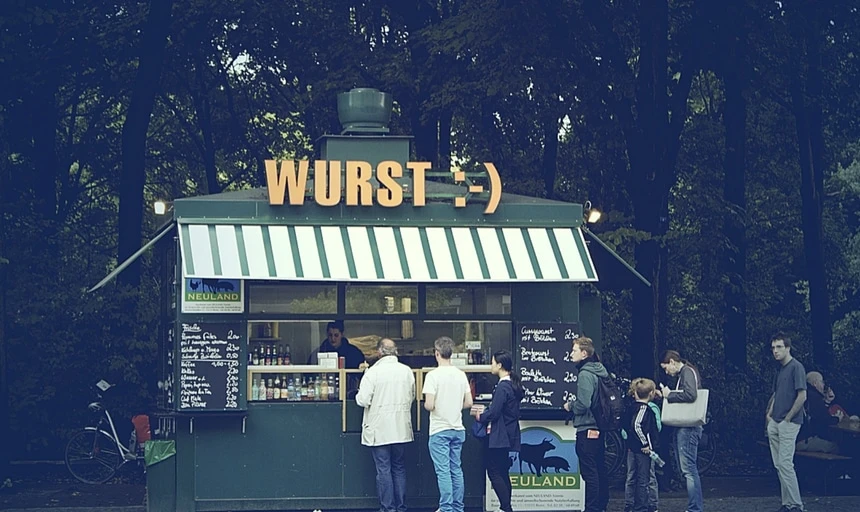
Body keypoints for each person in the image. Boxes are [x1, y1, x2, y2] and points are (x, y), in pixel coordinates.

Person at [355, 338, 415, 512]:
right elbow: (411, 396)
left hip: (379, 428)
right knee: (399, 467)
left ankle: (388, 508)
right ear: (395, 351)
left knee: (383, 469)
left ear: (379, 352)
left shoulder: (373, 372)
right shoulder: (406, 371)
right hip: (401, 426)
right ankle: (401, 507)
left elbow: (363, 400)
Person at [423, 336, 473, 512]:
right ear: (451, 353)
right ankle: (458, 507)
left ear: (437, 353)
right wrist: (454, 405)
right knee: (456, 470)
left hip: (439, 430)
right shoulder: (461, 375)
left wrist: (435, 404)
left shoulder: (432, 376)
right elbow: (469, 402)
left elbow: (429, 405)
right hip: (458, 429)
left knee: (443, 471)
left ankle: (446, 508)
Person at [471, 350, 521, 512]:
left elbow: (495, 412)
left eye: (492, 362)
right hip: (509, 434)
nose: (490, 366)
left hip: (499, 436)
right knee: (503, 471)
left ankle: (506, 508)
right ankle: (505, 507)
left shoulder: (502, 387)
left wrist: (480, 416)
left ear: (500, 365)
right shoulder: (513, 386)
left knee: (493, 471)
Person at [563, 337, 609, 512]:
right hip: (600, 426)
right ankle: (601, 505)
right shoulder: (600, 370)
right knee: (599, 468)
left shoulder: (585, 374)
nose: (570, 354)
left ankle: (592, 508)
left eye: (574, 350)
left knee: (589, 473)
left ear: (584, 353)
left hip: (586, 427)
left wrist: (570, 405)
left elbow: (583, 403)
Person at [656, 350, 703, 512]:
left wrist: (670, 395)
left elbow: (691, 395)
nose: (666, 371)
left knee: (688, 469)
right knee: (688, 468)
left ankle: (695, 508)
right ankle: (694, 506)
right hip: (687, 427)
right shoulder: (687, 372)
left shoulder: (686, 372)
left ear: (672, 362)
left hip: (688, 428)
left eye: (666, 368)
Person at [765, 333, 807, 512]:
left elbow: (802, 395)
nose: (775, 351)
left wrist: (788, 418)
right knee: (779, 464)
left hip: (789, 422)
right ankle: (787, 503)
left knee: (785, 463)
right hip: (776, 421)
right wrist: (770, 414)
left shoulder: (796, 367)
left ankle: (796, 505)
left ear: (788, 348)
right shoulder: (780, 369)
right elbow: (776, 393)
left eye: (779, 347)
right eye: (773, 347)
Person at [623, 382, 662, 512]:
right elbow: (636, 425)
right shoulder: (644, 409)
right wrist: (645, 443)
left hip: (631, 447)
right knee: (644, 479)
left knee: (631, 476)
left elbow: (625, 425)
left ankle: (629, 504)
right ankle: (642, 507)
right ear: (651, 393)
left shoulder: (630, 407)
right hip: (643, 449)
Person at [797, 371, 840, 454]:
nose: (823, 385)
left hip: (796, 437)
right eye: (822, 382)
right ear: (815, 383)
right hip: (804, 440)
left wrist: (827, 401)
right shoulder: (814, 397)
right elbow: (825, 420)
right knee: (835, 447)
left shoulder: (804, 393)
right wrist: (837, 418)